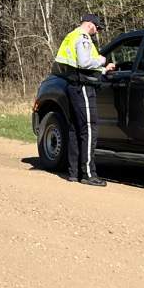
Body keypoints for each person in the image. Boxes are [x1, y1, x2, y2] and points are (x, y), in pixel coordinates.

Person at [53, 15, 114, 187]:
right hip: (83, 87)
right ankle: (88, 174)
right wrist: (102, 60)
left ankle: (74, 173)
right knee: (88, 128)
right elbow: (85, 62)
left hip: (73, 85)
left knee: (75, 129)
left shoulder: (71, 35)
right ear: (90, 25)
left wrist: (102, 70)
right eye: (97, 27)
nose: (98, 31)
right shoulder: (83, 37)